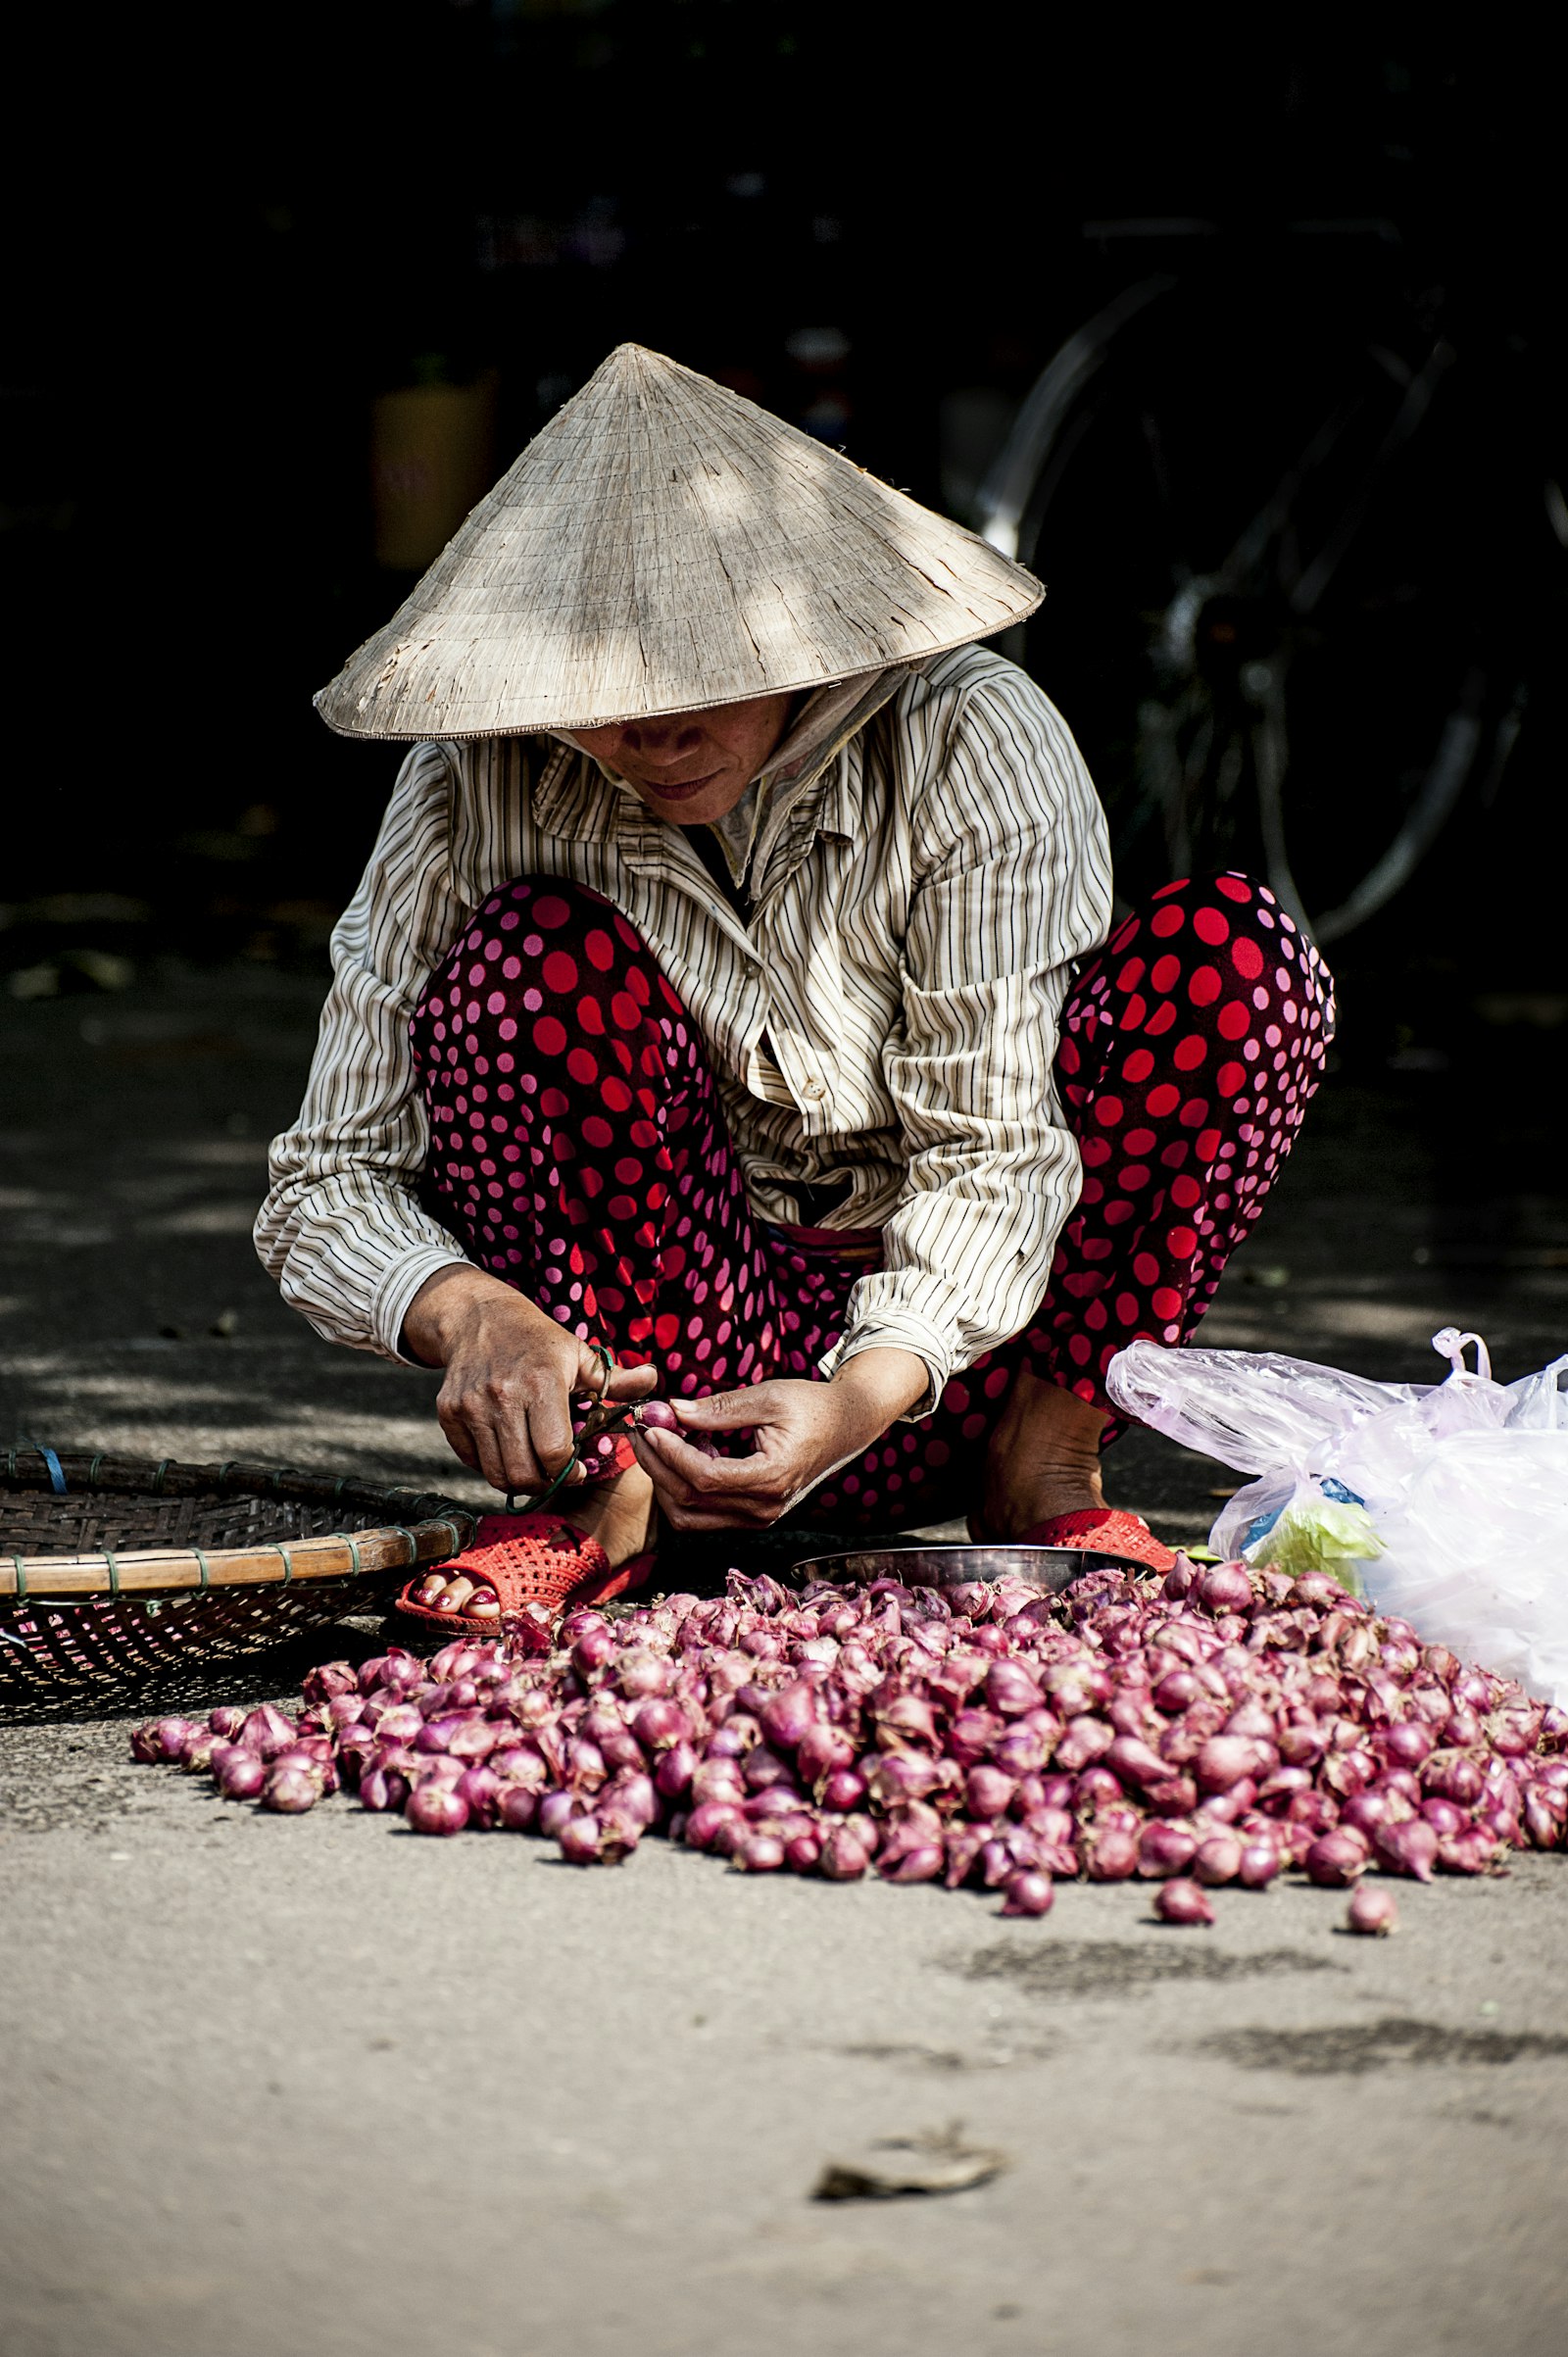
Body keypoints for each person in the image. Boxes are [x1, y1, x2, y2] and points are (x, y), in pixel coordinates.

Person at [257, 345, 1333, 1629]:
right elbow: (327, 1178)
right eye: (608, 695)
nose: (657, 736)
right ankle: (601, 1501)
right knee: (527, 965)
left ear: (806, 634)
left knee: (1242, 962)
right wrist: (473, 1315)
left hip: (975, 1358)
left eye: (706, 678)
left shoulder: (970, 738)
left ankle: (1042, 1465)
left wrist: (862, 1393)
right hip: (670, 1373)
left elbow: (993, 1155)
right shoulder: (469, 783)